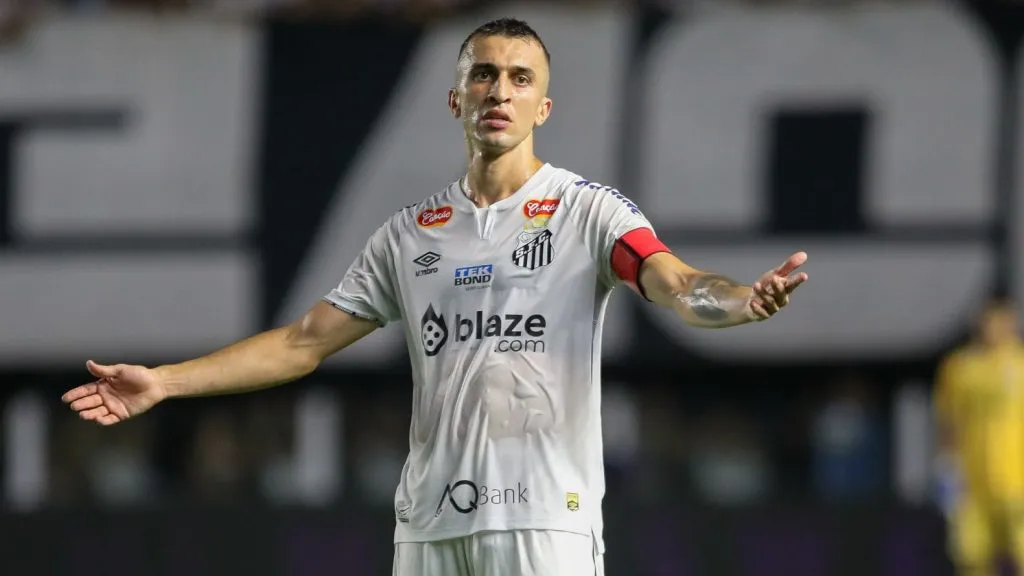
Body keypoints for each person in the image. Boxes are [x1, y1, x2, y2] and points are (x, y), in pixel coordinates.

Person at [62, 18, 808, 576]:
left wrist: (742, 301)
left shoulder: (589, 213)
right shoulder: (408, 235)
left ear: (544, 108)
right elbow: (301, 344)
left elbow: (677, 286)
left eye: (521, 78)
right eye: (484, 74)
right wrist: (164, 382)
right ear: (455, 98)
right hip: (428, 527)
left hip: (543, 524)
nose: (500, 91)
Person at [934, 298, 1024, 576]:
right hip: (972, 487)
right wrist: (947, 470)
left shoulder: (1021, 364)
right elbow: (947, 422)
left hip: (1018, 482)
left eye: (1001, 320)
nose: (994, 327)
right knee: (971, 559)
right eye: (989, 320)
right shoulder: (960, 367)